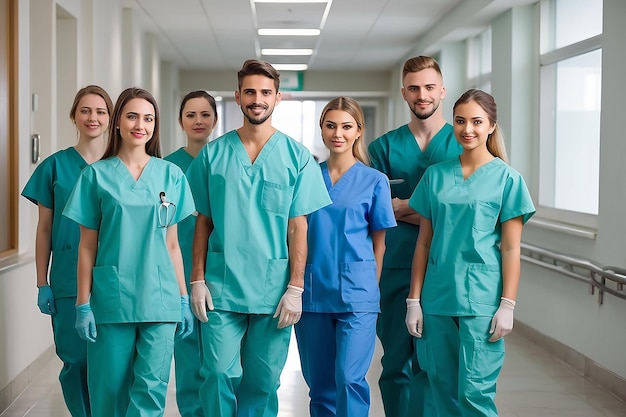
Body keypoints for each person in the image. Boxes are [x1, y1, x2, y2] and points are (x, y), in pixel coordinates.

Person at [185, 59, 331, 417]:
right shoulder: (213, 154)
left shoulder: (296, 157)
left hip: (273, 289)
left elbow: (299, 227)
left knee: (263, 381)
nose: (257, 98)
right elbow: (203, 221)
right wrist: (197, 278)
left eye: (265, 92)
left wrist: (296, 287)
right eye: (250, 91)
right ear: (237, 97)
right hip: (221, 286)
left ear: (278, 98)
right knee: (217, 372)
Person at [62, 87, 196, 417]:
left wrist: (183, 298)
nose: (141, 125)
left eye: (148, 118)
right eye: (133, 116)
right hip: (112, 299)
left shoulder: (171, 175)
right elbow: (87, 246)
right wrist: (82, 303)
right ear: (118, 122)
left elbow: (173, 245)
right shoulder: (95, 176)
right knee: (109, 393)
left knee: (151, 392)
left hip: (160, 300)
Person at [405, 89, 535, 416]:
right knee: (441, 389)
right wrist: (413, 300)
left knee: (476, 394)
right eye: (460, 121)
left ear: (491, 125)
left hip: (482, 301)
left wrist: (508, 304)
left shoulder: (507, 179)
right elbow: (424, 242)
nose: (468, 129)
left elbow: (510, 247)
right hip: (437, 298)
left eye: (477, 121)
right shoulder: (436, 176)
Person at [367, 56, 462, 417]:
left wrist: (402, 204)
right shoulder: (383, 148)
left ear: (442, 90)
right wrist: (433, 208)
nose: (422, 95)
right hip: (394, 268)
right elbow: (376, 210)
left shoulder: (463, 142)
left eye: (428, 87)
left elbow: (463, 210)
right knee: (395, 364)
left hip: (444, 269)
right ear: (403, 91)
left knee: (434, 365)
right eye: (414, 88)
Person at [294, 97, 396, 417]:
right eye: (331, 125)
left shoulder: (374, 180)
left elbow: (379, 244)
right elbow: (296, 233)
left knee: (350, 378)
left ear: (358, 131)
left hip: (359, 296)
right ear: (322, 130)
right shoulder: (306, 176)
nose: (338, 133)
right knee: (321, 385)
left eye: (346, 126)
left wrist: (370, 289)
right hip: (313, 293)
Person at [20, 85, 113, 417]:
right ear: (74, 116)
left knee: (111, 362)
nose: (93, 118)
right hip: (67, 279)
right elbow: (45, 228)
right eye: (85, 110)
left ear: (111, 118)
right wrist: (41, 281)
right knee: (75, 360)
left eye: (100, 111)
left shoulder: (120, 165)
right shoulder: (55, 166)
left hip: (114, 277)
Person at [164, 90, 218, 417]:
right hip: (177, 270)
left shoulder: (226, 160)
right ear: (180, 121)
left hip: (222, 268)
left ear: (215, 119)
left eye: (205, 114)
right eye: (190, 115)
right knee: (186, 357)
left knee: (221, 361)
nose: (198, 121)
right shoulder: (167, 167)